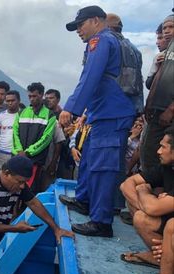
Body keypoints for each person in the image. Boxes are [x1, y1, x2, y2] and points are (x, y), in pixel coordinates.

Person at [59, 5, 135, 237]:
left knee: (103, 167)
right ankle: (84, 199)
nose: (78, 31)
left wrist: (71, 108)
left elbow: (90, 77)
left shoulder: (101, 41)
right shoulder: (125, 45)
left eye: (80, 25)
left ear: (95, 21)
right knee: (90, 158)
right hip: (103, 113)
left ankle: (101, 221)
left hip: (112, 114)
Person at [119, 126, 174, 269]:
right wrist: (144, 205)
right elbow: (126, 185)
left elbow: (153, 208)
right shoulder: (167, 167)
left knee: (141, 216)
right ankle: (162, 256)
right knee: (137, 202)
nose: (158, 151)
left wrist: (144, 193)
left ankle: (167, 262)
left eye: (163, 147)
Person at [141, 14, 174, 171]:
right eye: (164, 28)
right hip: (155, 114)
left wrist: (170, 109)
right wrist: (155, 67)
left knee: (160, 159)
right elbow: (150, 85)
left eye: (171, 27)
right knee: (151, 156)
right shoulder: (164, 55)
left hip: (167, 115)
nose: (167, 31)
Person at [12, 82, 56, 192]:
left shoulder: (50, 115)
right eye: (30, 96)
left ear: (41, 95)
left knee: (29, 190)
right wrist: (19, 150)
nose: (31, 99)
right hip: (18, 156)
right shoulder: (21, 112)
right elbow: (14, 134)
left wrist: (28, 152)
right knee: (14, 187)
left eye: (34, 96)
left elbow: (46, 138)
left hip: (35, 160)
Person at [0, 90, 20, 171]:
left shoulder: (23, 116)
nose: (10, 103)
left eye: (13, 100)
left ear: (19, 101)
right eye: (8, 101)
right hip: (0, 153)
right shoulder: (0, 116)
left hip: (16, 154)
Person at [146, 23, 169, 90]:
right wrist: (158, 68)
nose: (157, 42)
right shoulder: (159, 57)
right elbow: (149, 85)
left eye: (160, 38)